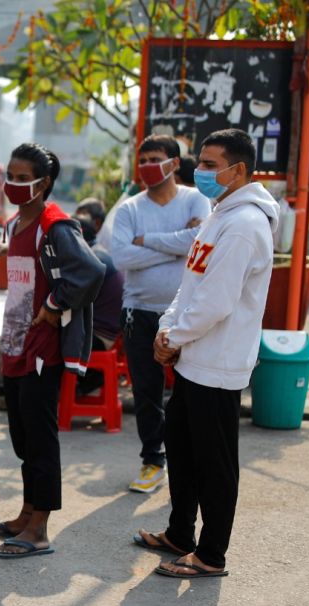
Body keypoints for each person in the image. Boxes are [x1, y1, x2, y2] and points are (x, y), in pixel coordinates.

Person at [139, 129, 278, 578]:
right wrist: (167, 331)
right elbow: (191, 285)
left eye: (211, 165)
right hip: (193, 356)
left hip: (218, 363)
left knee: (215, 464)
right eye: (199, 162)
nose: (200, 172)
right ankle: (181, 533)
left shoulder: (244, 225)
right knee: (181, 450)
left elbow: (216, 302)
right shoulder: (221, 215)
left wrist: (173, 338)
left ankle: (211, 554)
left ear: (239, 170)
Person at [0, 143, 105, 558]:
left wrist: (53, 307)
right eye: (8, 175)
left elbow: (91, 271)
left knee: (40, 436)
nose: (12, 184)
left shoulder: (57, 226)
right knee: (22, 435)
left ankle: (40, 529)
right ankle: (26, 513)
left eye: (20, 176)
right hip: (14, 341)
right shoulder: (15, 224)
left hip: (42, 349)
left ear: (43, 182)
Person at [109, 134, 211, 493]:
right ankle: (153, 460)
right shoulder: (130, 209)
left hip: (188, 314)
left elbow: (200, 243)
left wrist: (148, 240)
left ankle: (189, 462)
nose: (148, 166)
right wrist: (176, 244)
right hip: (140, 312)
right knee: (148, 393)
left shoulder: (196, 199)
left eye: (155, 158)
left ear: (173, 163)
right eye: (143, 160)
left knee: (190, 391)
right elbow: (121, 258)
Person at [72, 199, 124, 395]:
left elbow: (70, 300)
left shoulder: (93, 260)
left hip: (100, 338)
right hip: (104, 332)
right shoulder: (96, 252)